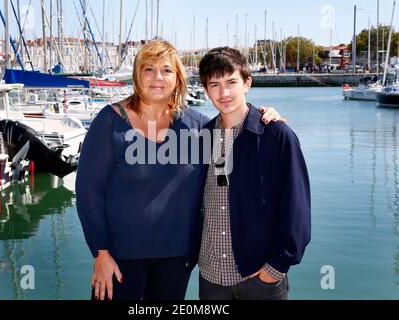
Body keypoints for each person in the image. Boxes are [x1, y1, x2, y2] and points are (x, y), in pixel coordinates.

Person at [76, 40, 282, 301]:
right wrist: (101, 253)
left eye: (166, 70)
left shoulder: (197, 127)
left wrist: (265, 119)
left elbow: (234, 148)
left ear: (178, 78)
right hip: (118, 260)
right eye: (148, 69)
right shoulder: (109, 122)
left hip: (178, 261)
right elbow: (88, 194)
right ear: (137, 75)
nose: (157, 77)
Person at [197, 47, 311, 300]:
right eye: (214, 84)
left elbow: (297, 209)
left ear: (247, 83)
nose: (223, 92)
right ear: (205, 91)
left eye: (231, 82)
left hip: (260, 279)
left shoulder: (277, 135)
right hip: (211, 279)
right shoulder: (204, 137)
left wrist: (275, 269)